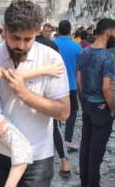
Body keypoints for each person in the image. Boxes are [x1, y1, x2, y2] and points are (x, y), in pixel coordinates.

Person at [0, 0, 70, 187]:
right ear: (4, 30)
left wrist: (25, 94)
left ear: (38, 32)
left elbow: (64, 112)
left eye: (28, 39)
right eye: (15, 38)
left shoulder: (51, 60)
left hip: (37, 158)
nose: (21, 45)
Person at [77, 18, 115, 187]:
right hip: (101, 107)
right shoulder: (107, 57)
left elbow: (80, 80)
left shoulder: (84, 52)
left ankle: (84, 182)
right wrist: (113, 109)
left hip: (87, 104)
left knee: (85, 145)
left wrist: (84, 101)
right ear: (108, 32)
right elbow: (107, 88)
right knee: (96, 151)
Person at [35, 28, 71, 179]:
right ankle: (64, 161)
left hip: (33, 90)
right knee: (55, 126)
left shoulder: (19, 45)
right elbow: (59, 69)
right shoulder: (51, 45)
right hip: (49, 91)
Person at [54, 20, 82, 151]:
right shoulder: (77, 47)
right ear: (70, 30)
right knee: (73, 112)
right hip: (71, 85)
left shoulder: (52, 44)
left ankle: (56, 137)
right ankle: (68, 139)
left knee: (56, 111)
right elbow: (79, 69)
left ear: (58, 30)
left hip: (54, 85)